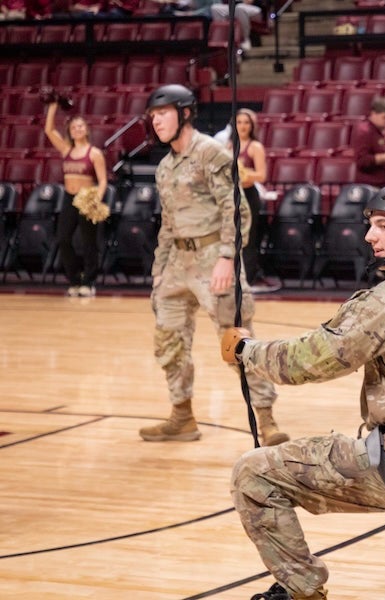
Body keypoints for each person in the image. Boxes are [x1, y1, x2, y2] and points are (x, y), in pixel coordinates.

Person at [222, 184, 385, 600]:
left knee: (253, 474)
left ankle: (303, 592)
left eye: (382, 226)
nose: (369, 236)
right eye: (370, 226)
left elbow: (310, 360)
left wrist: (245, 350)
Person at [139, 84, 288, 447]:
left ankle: (267, 422)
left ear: (185, 113)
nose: (156, 121)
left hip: (212, 260)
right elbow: (168, 223)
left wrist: (226, 257)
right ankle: (182, 416)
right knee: (169, 343)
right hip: (176, 262)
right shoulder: (164, 166)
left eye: (163, 113)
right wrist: (159, 269)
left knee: (237, 343)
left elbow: (236, 209)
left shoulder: (212, 154)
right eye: (153, 116)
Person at [43, 98, 108, 297]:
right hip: (69, 198)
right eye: (73, 127)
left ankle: (88, 282)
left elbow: (103, 181)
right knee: (63, 239)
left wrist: (95, 199)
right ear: (70, 131)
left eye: (80, 126)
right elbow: (48, 131)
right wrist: (53, 107)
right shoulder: (66, 150)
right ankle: (74, 279)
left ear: (86, 130)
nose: (77, 129)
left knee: (89, 242)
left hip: (87, 198)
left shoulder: (95, 153)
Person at [226, 107, 279, 293]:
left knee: (248, 238)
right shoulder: (229, 146)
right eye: (239, 122)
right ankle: (231, 276)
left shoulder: (255, 147)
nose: (242, 126)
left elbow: (262, 175)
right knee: (231, 236)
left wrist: (244, 173)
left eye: (246, 122)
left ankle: (247, 279)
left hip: (249, 195)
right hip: (232, 196)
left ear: (252, 125)